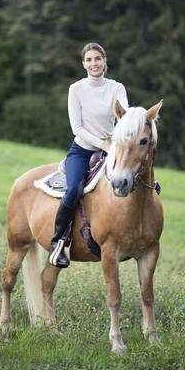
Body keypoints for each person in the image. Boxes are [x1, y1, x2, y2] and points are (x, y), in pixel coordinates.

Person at [49, 42, 129, 268]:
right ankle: (57, 244)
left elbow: (124, 115)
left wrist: (122, 136)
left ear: (105, 61)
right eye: (89, 60)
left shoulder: (116, 87)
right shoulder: (76, 89)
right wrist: (103, 145)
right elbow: (78, 128)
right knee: (74, 189)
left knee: (132, 177)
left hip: (113, 148)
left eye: (97, 58)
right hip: (83, 150)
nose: (94, 63)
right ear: (83, 64)